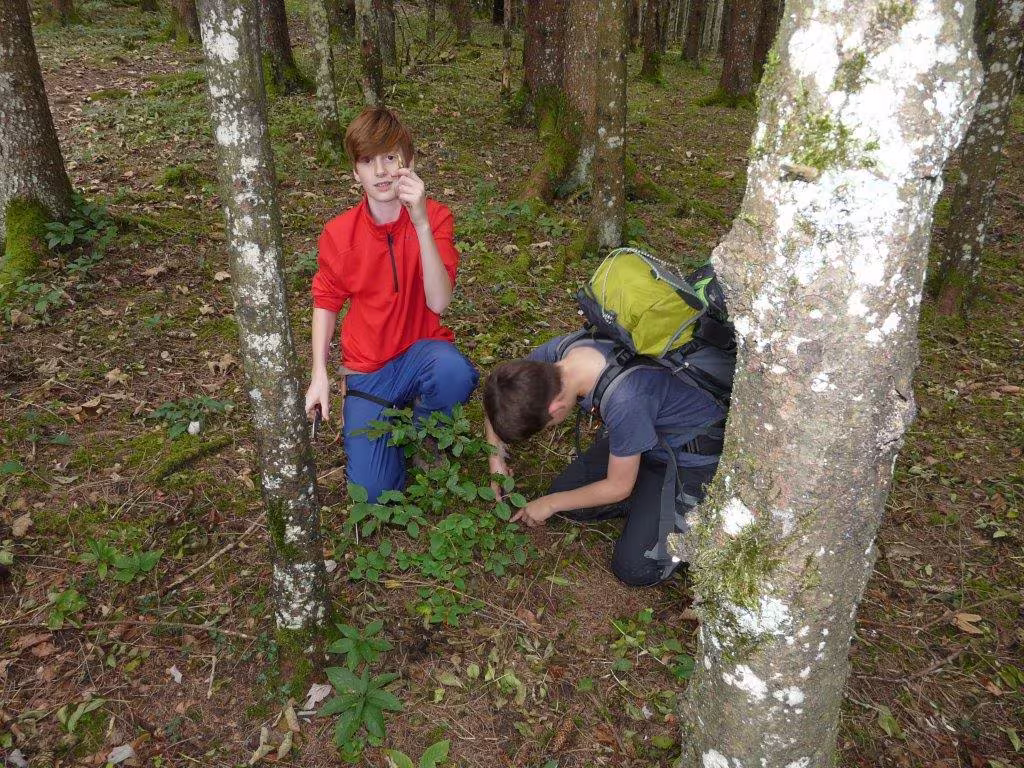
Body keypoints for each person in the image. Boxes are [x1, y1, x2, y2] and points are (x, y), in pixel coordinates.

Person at [304, 106, 478, 502]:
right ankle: (375, 418)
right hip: (369, 370)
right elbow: (326, 300)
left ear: (408, 163)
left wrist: (420, 223)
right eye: (368, 161)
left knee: (453, 372)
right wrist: (319, 373)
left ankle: (428, 434)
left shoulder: (436, 218)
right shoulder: (339, 234)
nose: (381, 171)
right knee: (374, 495)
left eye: (390, 157)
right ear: (356, 172)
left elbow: (439, 301)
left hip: (422, 356)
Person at [483, 334, 726, 586]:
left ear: (555, 410)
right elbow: (498, 393)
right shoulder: (557, 356)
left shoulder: (625, 400)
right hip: (646, 439)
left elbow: (618, 487)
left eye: (547, 426)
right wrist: (496, 459)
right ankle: (646, 499)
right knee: (569, 496)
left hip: (689, 459)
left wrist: (550, 503)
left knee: (634, 567)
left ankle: (702, 507)